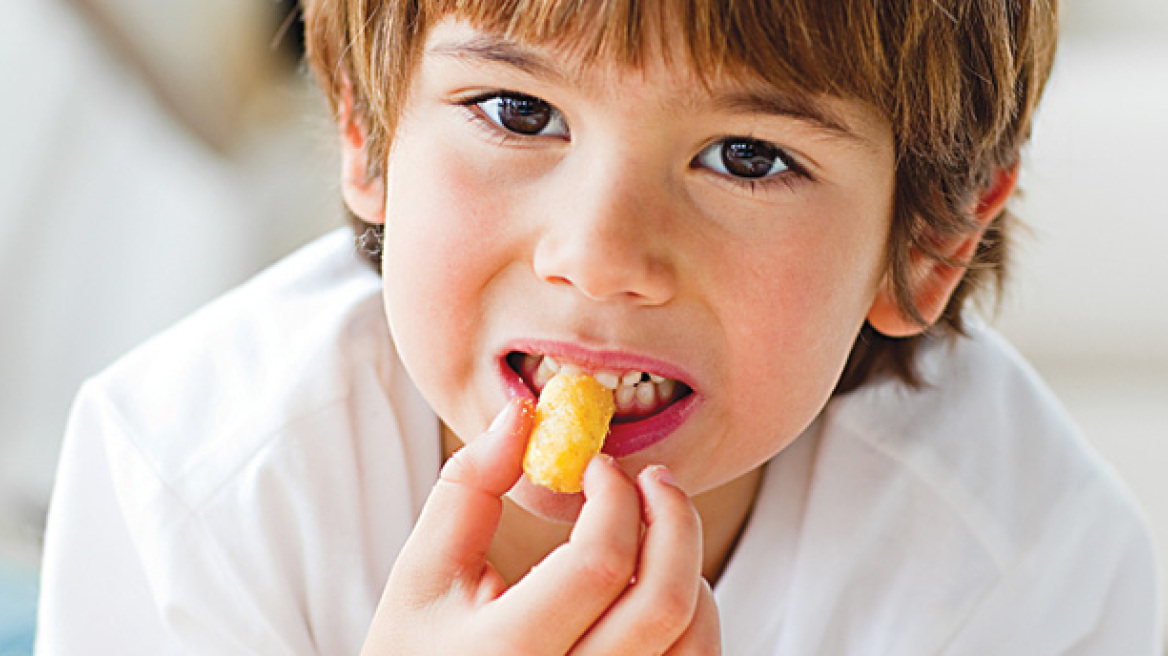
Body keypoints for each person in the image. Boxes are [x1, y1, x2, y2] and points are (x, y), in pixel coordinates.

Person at [36, 0, 1162, 653]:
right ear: (368, 135)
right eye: (519, 114)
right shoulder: (188, 480)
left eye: (749, 157)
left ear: (926, 247)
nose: (602, 253)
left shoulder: (1025, 562)